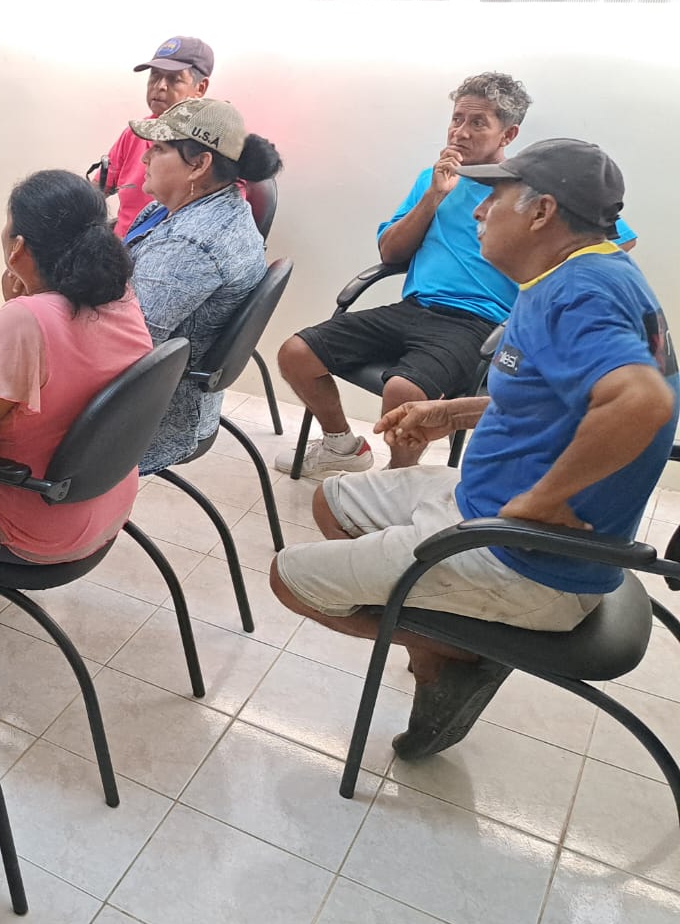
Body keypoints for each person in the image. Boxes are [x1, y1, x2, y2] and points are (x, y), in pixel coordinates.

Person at [271, 139, 677, 759]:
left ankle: (461, 654)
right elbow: (555, 399)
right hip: (479, 501)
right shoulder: (571, 275)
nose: (479, 211)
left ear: (541, 212)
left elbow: (643, 402)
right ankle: (443, 630)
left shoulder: (582, 292)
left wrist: (542, 503)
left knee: (289, 578)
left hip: (529, 557)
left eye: (494, 198)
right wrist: (447, 412)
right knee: (333, 501)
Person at [273, 72, 638, 478]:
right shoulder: (432, 180)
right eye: (457, 119)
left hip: (477, 325)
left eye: (477, 122)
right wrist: (434, 196)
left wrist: (542, 282)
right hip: (414, 308)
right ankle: (342, 447)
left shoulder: (529, 189)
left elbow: (619, 240)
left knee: (403, 390)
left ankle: (396, 480)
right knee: (296, 353)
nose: (460, 132)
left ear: (508, 134)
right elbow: (391, 252)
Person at [0, 170, 151, 563]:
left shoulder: (28, 321)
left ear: (17, 248)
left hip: (34, 525)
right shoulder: (122, 296)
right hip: (105, 507)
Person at [125, 98, 284, 474]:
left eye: (158, 149)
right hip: (153, 392)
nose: (145, 158)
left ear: (199, 165)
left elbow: (130, 345)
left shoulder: (191, 245)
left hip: (150, 415)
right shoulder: (179, 209)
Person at [100, 35, 214, 238]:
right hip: (118, 247)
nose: (160, 86)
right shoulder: (134, 133)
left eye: (174, 79)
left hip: (168, 251)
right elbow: (99, 188)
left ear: (200, 88)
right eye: (155, 76)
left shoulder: (213, 146)